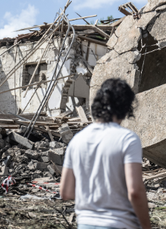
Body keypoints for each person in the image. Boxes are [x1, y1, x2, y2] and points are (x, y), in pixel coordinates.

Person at [59, 78, 151, 229]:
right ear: (126, 108)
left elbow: (66, 192)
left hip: (85, 223)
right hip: (119, 223)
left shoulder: (77, 140)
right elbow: (134, 191)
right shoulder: (127, 139)